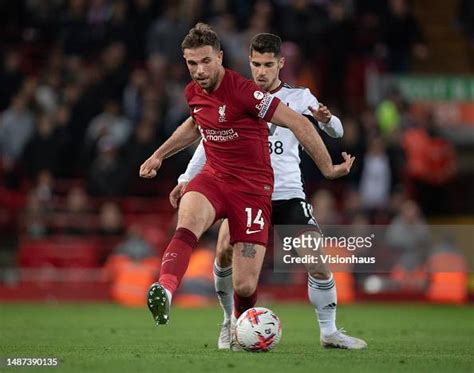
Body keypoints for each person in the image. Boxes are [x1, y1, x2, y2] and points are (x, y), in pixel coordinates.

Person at [139, 23, 354, 345]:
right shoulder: (218, 92)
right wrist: (179, 172)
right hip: (230, 184)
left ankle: (329, 331)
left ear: (281, 63)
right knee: (215, 245)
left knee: (306, 261)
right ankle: (219, 317)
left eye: (269, 64)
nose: (262, 71)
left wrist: (328, 140)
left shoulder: (289, 97)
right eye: (256, 64)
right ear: (249, 62)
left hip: (277, 191)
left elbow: (326, 129)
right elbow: (204, 133)